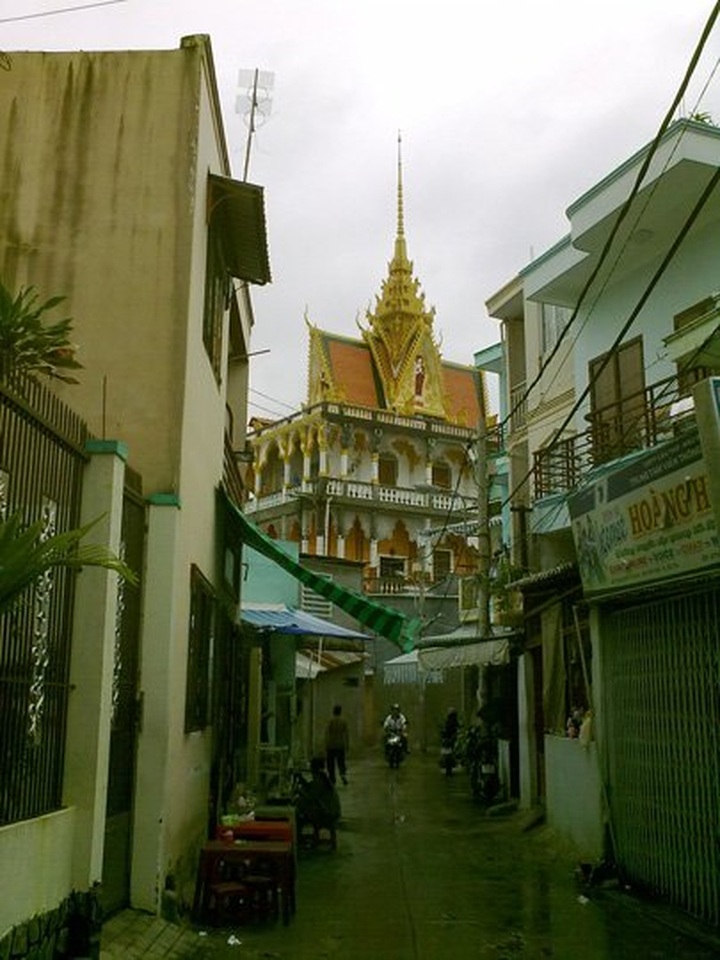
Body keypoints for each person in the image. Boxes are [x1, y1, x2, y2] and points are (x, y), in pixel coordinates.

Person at [325, 704, 349, 785]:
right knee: (341, 762)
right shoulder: (343, 722)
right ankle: (342, 775)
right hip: (340, 745)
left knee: (330, 763)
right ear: (340, 712)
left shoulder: (331, 721)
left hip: (331, 745)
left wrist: (326, 743)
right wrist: (347, 745)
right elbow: (346, 734)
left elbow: (327, 733)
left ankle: (332, 778)